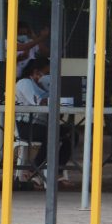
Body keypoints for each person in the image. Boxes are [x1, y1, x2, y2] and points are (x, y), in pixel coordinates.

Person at [14, 58, 72, 187]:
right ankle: (33, 171)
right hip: (28, 126)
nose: (48, 76)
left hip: (42, 125)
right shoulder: (25, 83)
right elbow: (40, 102)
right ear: (36, 72)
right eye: (46, 73)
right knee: (53, 135)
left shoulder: (41, 85)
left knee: (71, 135)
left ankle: (57, 171)